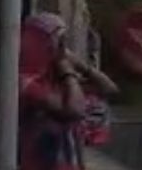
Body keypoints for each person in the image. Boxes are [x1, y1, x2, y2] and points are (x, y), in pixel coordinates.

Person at [19, 13, 118, 170]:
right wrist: (68, 73)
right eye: (59, 43)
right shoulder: (27, 82)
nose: (62, 49)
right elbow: (74, 111)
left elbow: (109, 90)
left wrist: (81, 66)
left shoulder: (54, 77)